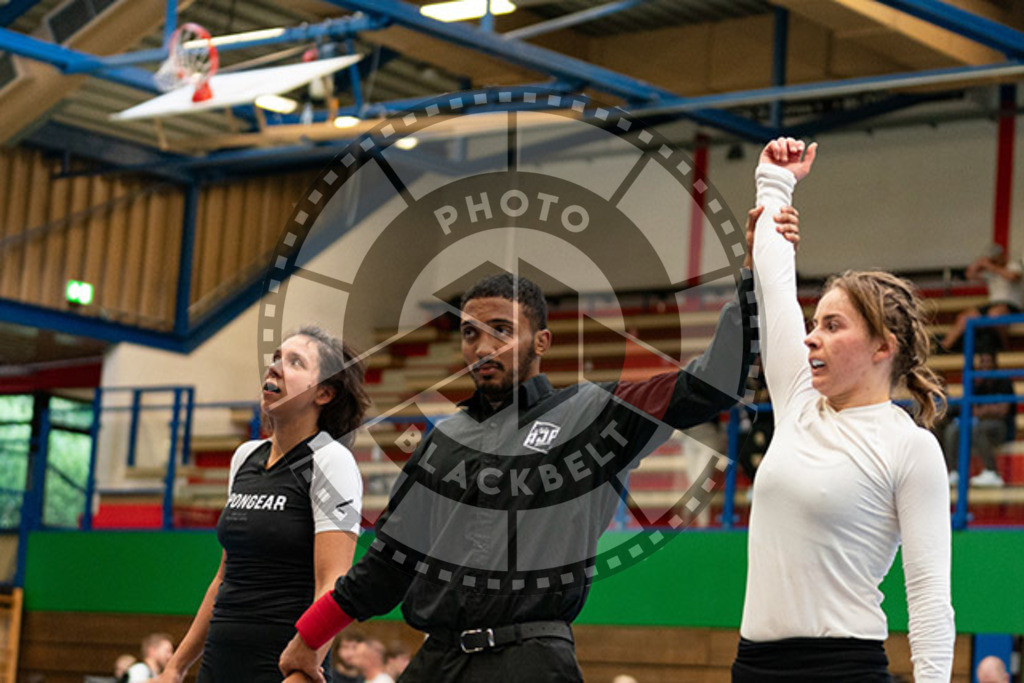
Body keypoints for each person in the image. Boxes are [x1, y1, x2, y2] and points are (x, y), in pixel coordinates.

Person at [280, 206, 802, 682]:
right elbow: (384, 568)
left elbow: (714, 382)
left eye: (501, 331)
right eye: (470, 333)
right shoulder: (441, 442)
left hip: (531, 662)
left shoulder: (594, 414)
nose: (483, 347)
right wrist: (309, 638)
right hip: (437, 662)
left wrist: (754, 274)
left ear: (542, 342)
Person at [734, 138, 955, 682]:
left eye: (832, 326)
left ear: (883, 347)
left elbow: (929, 595)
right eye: (814, 325)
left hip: (842, 669)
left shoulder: (909, 447)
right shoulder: (798, 401)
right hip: (755, 666)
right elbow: (774, 283)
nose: (812, 338)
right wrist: (775, 181)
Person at [154, 326, 370, 683]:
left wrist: (304, 665)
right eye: (276, 358)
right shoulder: (245, 457)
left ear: (324, 393)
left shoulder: (331, 460)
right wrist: (175, 668)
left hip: (282, 665)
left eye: (295, 362)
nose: (275, 367)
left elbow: (332, 582)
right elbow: (224, 577)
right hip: (219, 663)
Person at [943, 349, 1014, 487]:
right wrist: (989, 409)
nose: (984, 365)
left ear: (995, 364)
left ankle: (992, 472)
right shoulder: (977, 383)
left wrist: (983, 410)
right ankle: (955, 472)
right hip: (979, 424)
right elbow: (972, 410)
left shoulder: (1004, 381)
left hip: (1001, 427)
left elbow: (1002, 411)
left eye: (988, 362)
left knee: (976, 428)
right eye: (982, 362)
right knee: (952, 429)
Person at [940, 243, 1023, 353]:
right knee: (964, 318)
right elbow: (969, 275)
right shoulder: (991, 271)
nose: (994, 260)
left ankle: (1003, 348)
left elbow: (1013, 277)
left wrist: (991, 267)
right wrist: (979, 263)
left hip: (1011, 304)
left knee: (995, 315)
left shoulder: (1013, 265)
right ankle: (944, 347)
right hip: (993, 304)